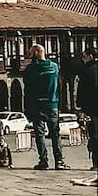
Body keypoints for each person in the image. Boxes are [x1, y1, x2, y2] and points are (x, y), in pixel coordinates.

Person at [23, 43, 66, 171]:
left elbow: (27, 89)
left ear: (36, 53)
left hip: (36, 105)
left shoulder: (30, 69)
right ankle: (59, 161)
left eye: (31, 53)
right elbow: (59, 85)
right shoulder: (54, 67)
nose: (29, 56)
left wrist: (27, 107)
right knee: (55, 134)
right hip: (52, 104)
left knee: (40, 134)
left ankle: (43, 161)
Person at [77, 47, 98, 171]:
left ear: (90, 56)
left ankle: (96, 163)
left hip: (92, 109)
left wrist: (80, 107)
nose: (83, 59)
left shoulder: (86, 70)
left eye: (84, 57)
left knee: (94, 136)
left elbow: (82, 90)